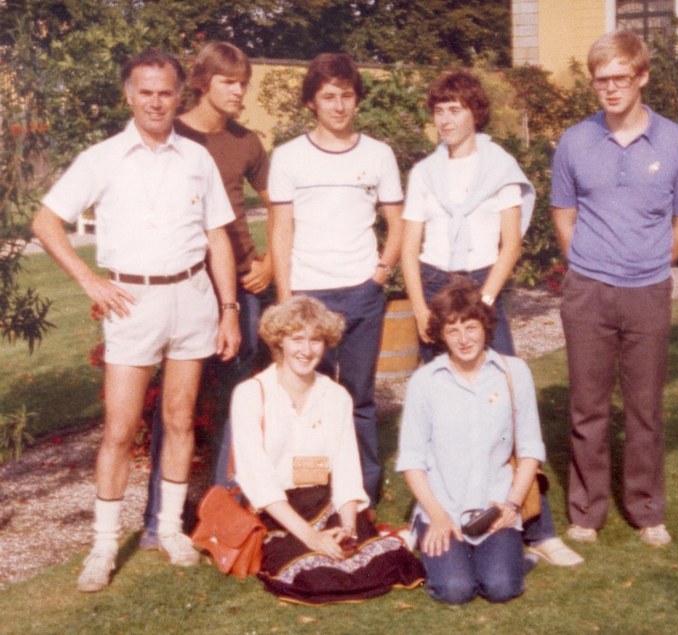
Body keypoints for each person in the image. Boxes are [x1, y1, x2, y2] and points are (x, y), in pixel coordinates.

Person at [31, 50, 241, 592]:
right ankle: (102, 548)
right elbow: (45, 221)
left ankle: (169, 530)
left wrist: (229, 309)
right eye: (145, 91)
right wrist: (88, 280)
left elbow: (218, 234)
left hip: (193, 298)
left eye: (165, 92)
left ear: (178, 96)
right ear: (129, 95)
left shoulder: (196, 158)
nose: (155, 101)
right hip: (132, 305)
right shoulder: (102, 158)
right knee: (120, 429)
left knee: (178, 418)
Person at [401, 69, 583, 568]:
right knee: (439, 407)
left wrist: (484, 302)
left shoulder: (500, 165)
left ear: (475, 113)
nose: (445, 119)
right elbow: (409, 248)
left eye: (455, 109)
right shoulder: (423, 173)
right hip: (436, 286)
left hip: (484, 283)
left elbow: (512, 243)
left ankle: (536, 527)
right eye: (439, 110)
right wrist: (421, 309)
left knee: (508, 404)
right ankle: (434, 515)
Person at [550, 30, 678, 547]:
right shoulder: (574, 141)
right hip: (588, 291)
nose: (611, 89)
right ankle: (586, 513)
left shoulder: (677, 141)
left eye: (620, 78)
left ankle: (646, 509)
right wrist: (584, 264)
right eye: (601, 81)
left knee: (644, 407)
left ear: (641, 77)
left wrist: (655, 262)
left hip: (648, 292)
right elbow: (563, 213)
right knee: (587, 408)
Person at [140, 41, 273, 549]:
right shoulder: (171, 135)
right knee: (177, 405)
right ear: (201, 83)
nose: (239, 91)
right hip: (188, 284)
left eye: (243, 82)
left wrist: (270, 262)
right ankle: (159, 519)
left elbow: (279, 202)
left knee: (238, 400)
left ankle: (224, 509)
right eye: (228, 82)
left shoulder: (247, 142)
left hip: (241, 282)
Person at [269, 53, 404, 513]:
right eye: (329, 96)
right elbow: (280, 230)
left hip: (362, 293)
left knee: (360, 396)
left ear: (356, 100)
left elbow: (398, 222)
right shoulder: (288, 157)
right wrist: (287, 299)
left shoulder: (378, 153)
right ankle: (312, 490)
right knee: (309, 397)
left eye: (347, 96)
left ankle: (360, 489)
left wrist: (380, 274)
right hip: (309, 297)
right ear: (312, 102)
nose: (339, 105)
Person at [230, 296, 424, 604]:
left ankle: (379, 537)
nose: (306, 351)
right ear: (279, 341)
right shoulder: (251, 394)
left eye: (316, 340)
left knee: (385, 563)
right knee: (314, 577)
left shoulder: (336, 396)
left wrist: (347, 526)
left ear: (326, 343)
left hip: (325, 502)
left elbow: (347, 471)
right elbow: (259, 481)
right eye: (297, 339)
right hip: (276, 512)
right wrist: (310, 538)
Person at [396, 278, 545, 604]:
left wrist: (512, 505)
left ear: (485, 326)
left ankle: (506, 559)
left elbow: (531, 448)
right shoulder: (425, 382)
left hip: (494, 507)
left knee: (501, 588)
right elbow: (411, 459)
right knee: (455, 591)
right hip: (443, 508)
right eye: (452, 330)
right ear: (441, 335)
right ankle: (439, 553)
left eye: (470, 327)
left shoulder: (514, 372)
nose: (463, 339)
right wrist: (436, 515)